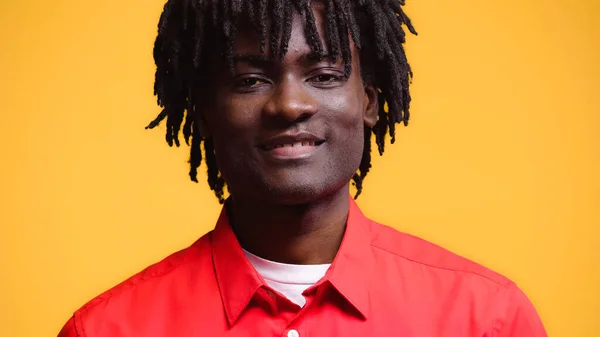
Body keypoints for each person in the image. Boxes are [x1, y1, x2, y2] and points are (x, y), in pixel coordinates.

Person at [58, 0, 548, 336]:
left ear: (370, 102)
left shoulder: (486, 319)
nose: (290, 104)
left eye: (325, 75)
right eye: (250, 79)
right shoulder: (107, 329)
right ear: (206, 113)